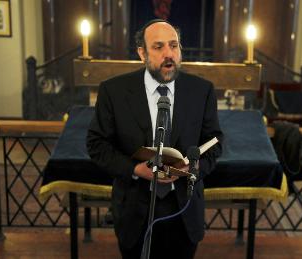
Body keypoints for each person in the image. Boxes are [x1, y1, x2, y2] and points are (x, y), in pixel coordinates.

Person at [86, 19, 223, 259]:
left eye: (174, 46)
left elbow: (214, 142)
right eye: (158, 47)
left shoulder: (202, 91)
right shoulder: (113, 91)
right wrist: (136, 169)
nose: (168, 53)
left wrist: (195, 167)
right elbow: (97, 145)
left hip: (184, 207)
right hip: (134, 207)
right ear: (142, 53)